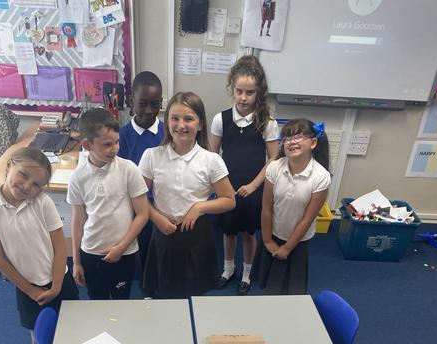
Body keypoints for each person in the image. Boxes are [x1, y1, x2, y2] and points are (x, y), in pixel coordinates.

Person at [0, 147, 79, 344]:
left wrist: (57, 285)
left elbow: (60, 248)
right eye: (23, 175)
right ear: (9, 165)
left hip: (60, 279)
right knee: (39, 342)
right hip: (28, 288)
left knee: (72, 330)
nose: (27, 187)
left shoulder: (42, 203)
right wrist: (31, 291)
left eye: (36, 185)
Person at [139, 92, 235, 299]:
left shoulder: (211, 160)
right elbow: (138, 198)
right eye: (175, 118)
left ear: (200, 125)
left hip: (197, 235)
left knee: (194, 295)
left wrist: (200, 207)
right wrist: (156, 218)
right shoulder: (152, 156)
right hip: (164, 232)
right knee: (164, 292)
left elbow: (229, 200)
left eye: (189, 119)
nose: (181, 125)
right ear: (167, 122)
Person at [211, 55, 278, 295]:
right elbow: (212, 155)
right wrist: (221, 185)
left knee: (249, 233)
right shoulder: (220, 119)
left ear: (259, 93)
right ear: (232, 88)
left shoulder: (266, 122)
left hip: (253, 187)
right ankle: (228, 268)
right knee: (228, 231)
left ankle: (247, 273)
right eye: (239, 91)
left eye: (250, 93)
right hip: (227, 186)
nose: (243, 97)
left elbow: (273, 157)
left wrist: (254, 185)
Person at [68, 108, 149, 300]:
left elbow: (143, 214)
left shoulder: (129, 170)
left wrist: (121, 247)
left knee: (122, 301)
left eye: (117, 142)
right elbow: (77, 221)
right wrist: (76, 262)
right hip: (91, 252)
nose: (115, 148)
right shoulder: (77, 177)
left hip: (125, 252)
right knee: (97, 301)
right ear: (87, 145)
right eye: (107, 144)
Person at [253, 118, 331, 295]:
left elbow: (307, 219)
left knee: (291, 289)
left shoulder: (321, 176)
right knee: (269, 284)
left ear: (313, 143)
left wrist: (287, 248)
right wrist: (267, 240)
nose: (291, 141)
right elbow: (266, 208)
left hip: (298, 242)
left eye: (298, 136)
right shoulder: (274, 168)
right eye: (287, 138)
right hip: (272, 235)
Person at [118, 71, 164, 295]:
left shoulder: (168, 132)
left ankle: (159, 283)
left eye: (155, 104)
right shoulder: (121, 137)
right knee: (141, 247)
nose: (148, 111)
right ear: (131, 101)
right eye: (142, 104)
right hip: (135, 206)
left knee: (161, 249)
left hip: (164, 203)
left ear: (161, 103)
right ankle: (146, 287)